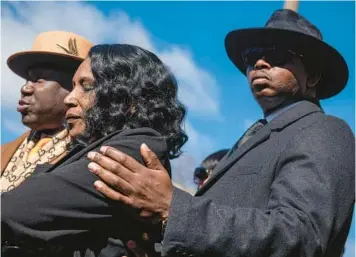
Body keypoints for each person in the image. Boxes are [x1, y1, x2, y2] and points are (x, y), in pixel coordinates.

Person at [87, 9, 355, 257]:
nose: (259, 63)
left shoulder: (325, 130)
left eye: (275, 55)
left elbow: (300, 235)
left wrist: (173, 209)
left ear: (314, 76)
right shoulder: (257, 137)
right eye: (252, 56)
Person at [1, 44, 188, 257]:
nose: (69, 99)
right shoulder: (82, 149)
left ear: (129, 98)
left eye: (86, 87)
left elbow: (18, 208)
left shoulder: (138, 148)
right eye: (72, 87)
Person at [1, 31, 92, 192]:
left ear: (74, 87)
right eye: (27, 80)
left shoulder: (92, 153)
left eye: (38, 80)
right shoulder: (4, 152)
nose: (25, 88)